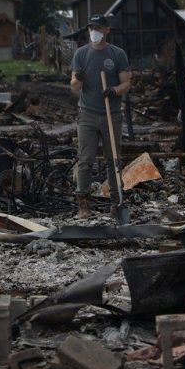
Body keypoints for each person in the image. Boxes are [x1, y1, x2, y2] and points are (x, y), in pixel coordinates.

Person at [69, 14, 132, 219]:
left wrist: (113, 91)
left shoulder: (117, 54)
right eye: (91, 28)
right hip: (87, 114)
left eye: (98, 28)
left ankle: (116, 202)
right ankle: (83, 205)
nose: (94, 31)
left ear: (107, 30)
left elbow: (126, 83)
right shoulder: (81, 54)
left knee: (113, 159)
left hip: (110, 115)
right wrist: (78, 79)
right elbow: (74, 87)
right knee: (85, 159)